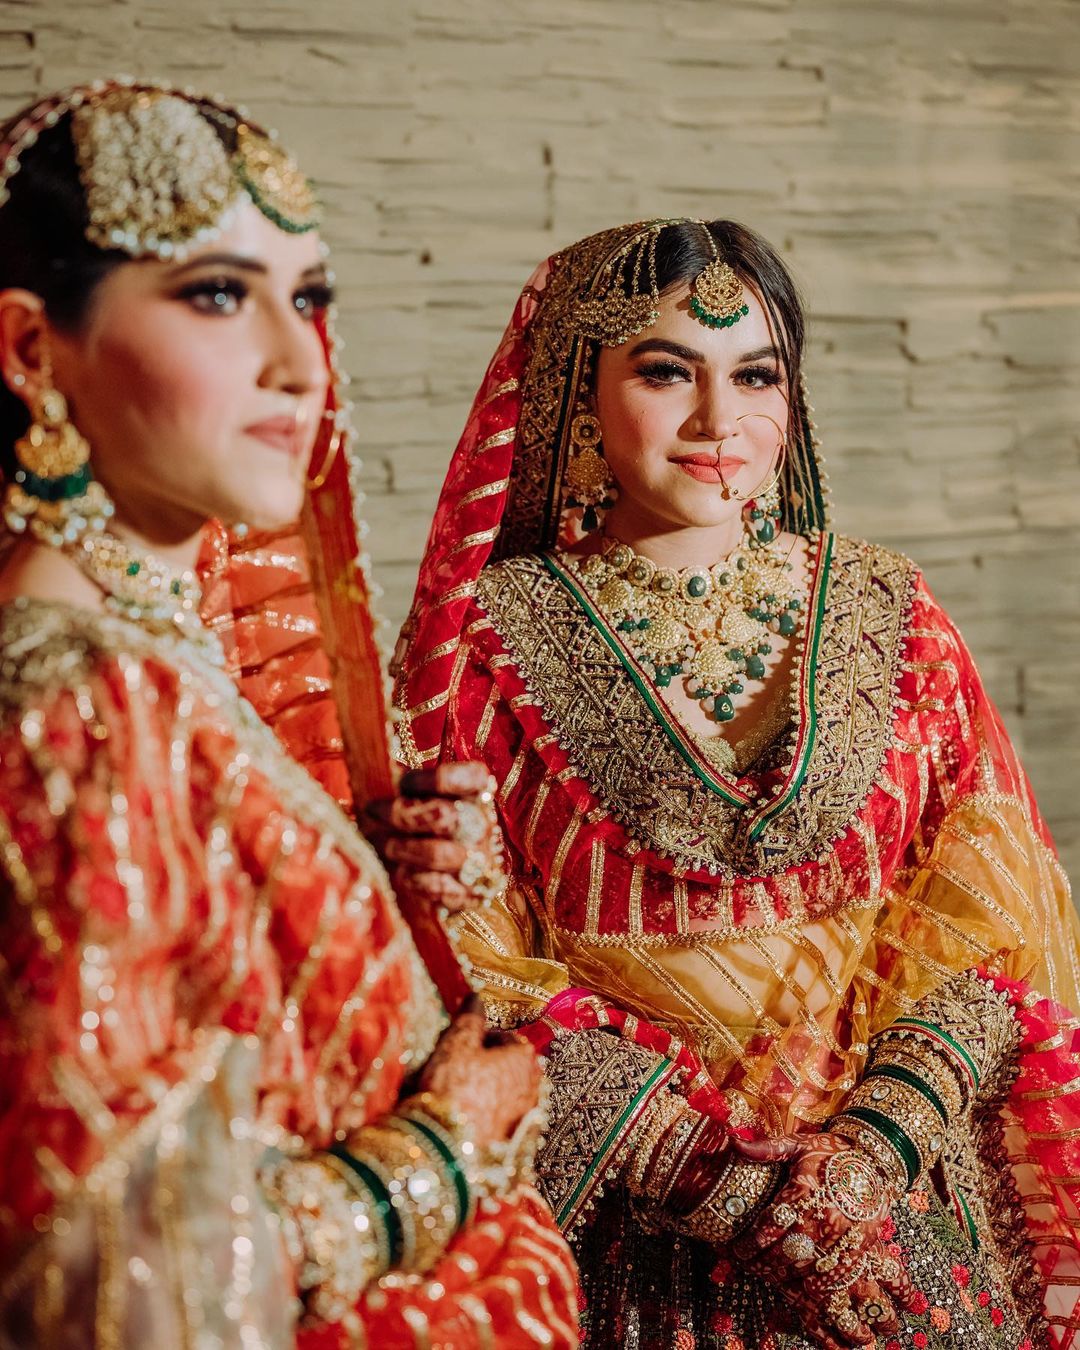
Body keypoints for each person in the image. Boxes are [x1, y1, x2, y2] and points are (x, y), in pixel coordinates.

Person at [394, 217, 1080, 1349]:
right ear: (575, 392)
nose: (722, 423)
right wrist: (720, 1176)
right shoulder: (482, 648)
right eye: (667, 373)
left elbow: (994, 912)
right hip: (634, 1238)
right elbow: (458, 962)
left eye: (757, 376)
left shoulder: (893, 614)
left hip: (894, 1233)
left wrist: (870, 1155)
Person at [0, 80, 578, 1348]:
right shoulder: (76, 707)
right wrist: (447, 1149)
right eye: (216, 292)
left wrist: (364, 867)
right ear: (34, 352)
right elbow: (117, 1296)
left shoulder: (157, 650)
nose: (298, 359)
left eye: (308, 296)